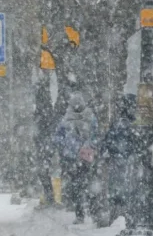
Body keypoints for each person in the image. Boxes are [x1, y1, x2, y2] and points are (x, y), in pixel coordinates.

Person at [53, 92, 99, 224]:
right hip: (79, 157)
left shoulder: (67, 119)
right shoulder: (88, 118)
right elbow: (58, 137)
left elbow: (57, 137)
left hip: (77, 157)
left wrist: (68, 145)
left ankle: (84, 214)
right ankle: (85, 213)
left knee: (81, 186)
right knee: (82, 186)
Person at [100, 93, 136, 227]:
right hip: (126, 161)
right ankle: (122, 215)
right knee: (124, 189)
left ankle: (118, 215)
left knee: (118, 189)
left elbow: (108, 140)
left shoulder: (119, 123)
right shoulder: (131, 124)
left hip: (119, 160)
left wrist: (108, 152)